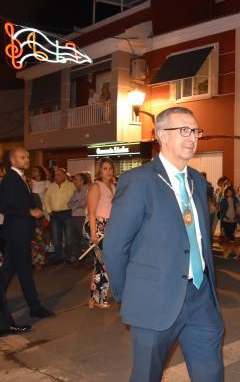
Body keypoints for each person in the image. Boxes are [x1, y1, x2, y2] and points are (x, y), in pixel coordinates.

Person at [104, 107, 223, 382]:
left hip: (200, 295)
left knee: (211, 374)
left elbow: (198, 236)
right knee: (147, 376)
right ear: (161, 136)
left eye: (195, 131)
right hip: (154, 300)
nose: (192, 137)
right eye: (184, 130)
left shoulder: (197, 179)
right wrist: (130, 294)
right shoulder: (138, 181)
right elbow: (114, 247)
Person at [0, 148, 54, 319]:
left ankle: (35, 307)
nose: (27, 160)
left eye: (27, 157)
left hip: (19, 233)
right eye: (22, 157)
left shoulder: (20, 178)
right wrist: (29, 212)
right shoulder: (10, 179)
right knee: (22, 271)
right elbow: (3, 206)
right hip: (17, 233)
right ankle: (35, 307)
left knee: (13, 270)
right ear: (13, 160)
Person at [85, 159, 115, 308]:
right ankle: (97, 298)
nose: (108, 171)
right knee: (104, 263)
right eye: (105, 168)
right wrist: (93, 233)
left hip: (108, 226)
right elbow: (91, 211)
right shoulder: (96, 186)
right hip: (95, 225)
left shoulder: (113, 187)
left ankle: (94, 298)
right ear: (99, 170)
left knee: (102, 264)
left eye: (110, 168)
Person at [44, 167, 76, 264]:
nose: (56, 176)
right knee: (56, 238)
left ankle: (68, 257)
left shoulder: (71, 185)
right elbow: (46, 200)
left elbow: (76, 199)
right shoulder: (51, 186)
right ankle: (59, 257)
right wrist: (49, 211)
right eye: (55, 175)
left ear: (64, 175)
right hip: (55, 215)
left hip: (67, 213)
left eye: (58, 175)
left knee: (68, 238)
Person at [67, 173, 90, 267]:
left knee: (84, 240)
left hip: (83, 216)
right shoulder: (76, 191)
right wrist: (76, 202)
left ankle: (89, 261)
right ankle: (77, 259)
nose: (74, 181)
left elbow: (83, 203)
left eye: (76, 179)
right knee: (74, 240)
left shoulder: (88, 189)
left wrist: (75, 202)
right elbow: (69, 203)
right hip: (74, 216)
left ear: (82, 180)